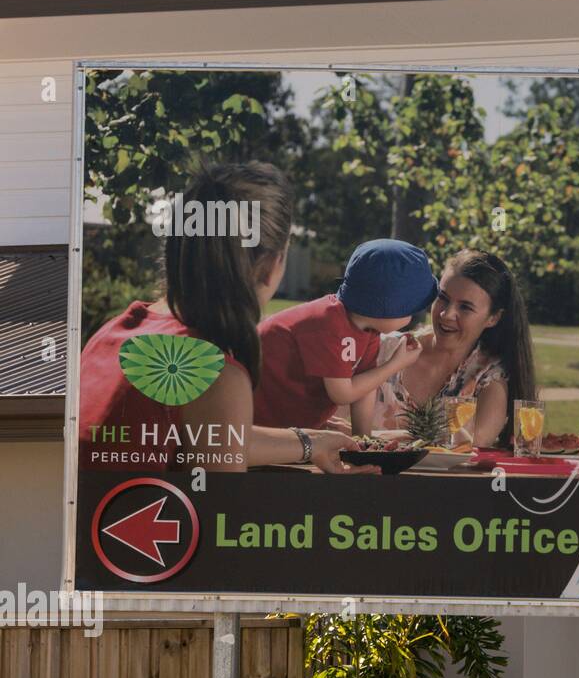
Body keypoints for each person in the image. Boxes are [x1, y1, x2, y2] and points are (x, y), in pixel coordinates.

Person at [79, 161, 375, 474]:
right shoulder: (211, 374)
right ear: (271, 264)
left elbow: (203, 437)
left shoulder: (118, 331)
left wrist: (308, 442)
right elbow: (224, 518)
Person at [253, 238, 434, 435]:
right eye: (411, 310)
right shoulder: (328, 324)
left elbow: (365, 386)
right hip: (255, 424)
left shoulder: (367, 330)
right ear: (388, 307)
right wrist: (394, 365)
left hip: (289, 425)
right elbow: (343, 394)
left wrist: (363, 441)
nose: (412, 317)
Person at [369, 249, 537, 447]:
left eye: (465, 307)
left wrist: (373, 436)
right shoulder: (384, 350)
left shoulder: (489, 376)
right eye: (443, 298)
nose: (446, 315)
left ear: (493, 318)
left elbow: (475, 441)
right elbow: (331, 422)